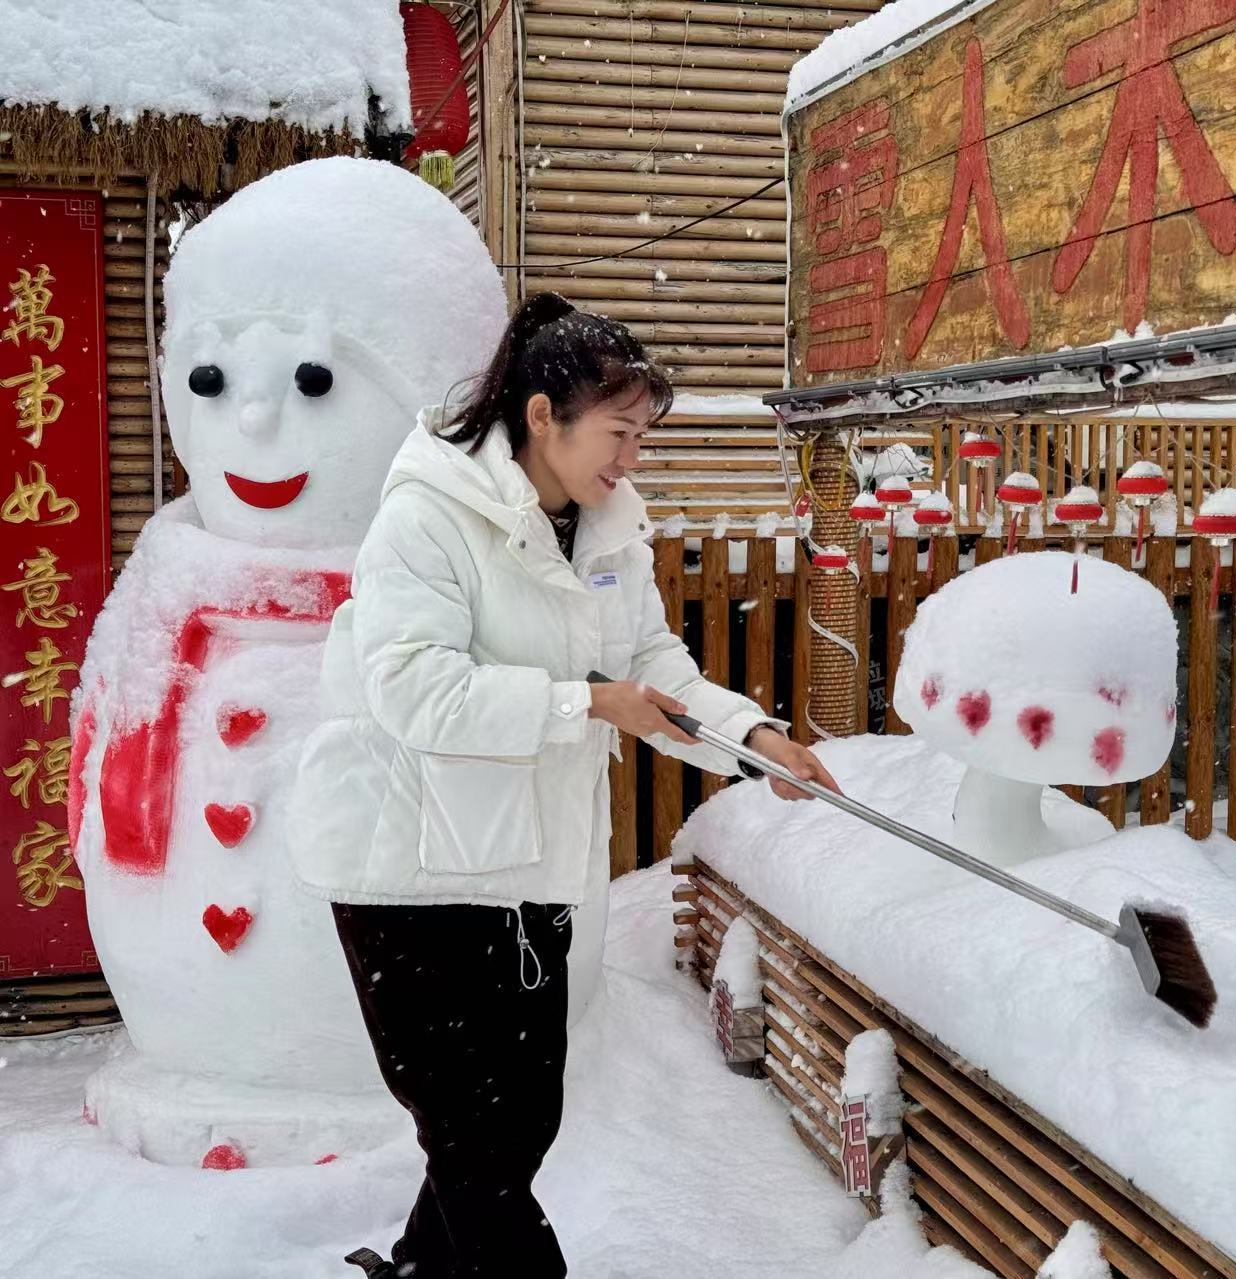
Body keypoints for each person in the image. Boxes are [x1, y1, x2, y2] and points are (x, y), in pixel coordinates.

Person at [290, 292, 839, 1279]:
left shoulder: (605, 530)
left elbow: (652, 666)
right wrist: (583, 704)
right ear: (542, 415)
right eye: (619, 433)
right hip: (409, 876)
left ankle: (419, 1271)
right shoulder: (426, 515)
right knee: (477, 1148)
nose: (632, 457)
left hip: (523, 867)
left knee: (516, 1125)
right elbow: (411, 688)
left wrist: (752, 736)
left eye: (643, 436)